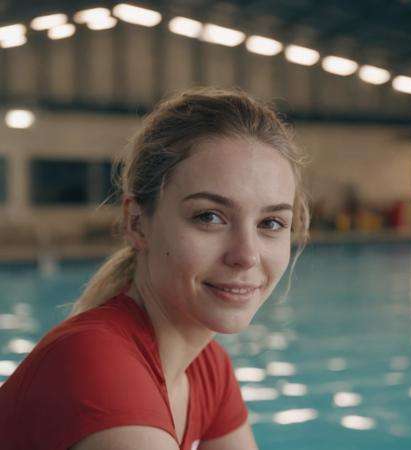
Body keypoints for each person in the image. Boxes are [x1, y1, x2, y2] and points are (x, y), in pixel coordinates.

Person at [0, 86, 310, 450]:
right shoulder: (95, 362)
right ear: (137, 223)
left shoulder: (206, 368)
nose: (246, 255)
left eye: (271, 223)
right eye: (209, 217)